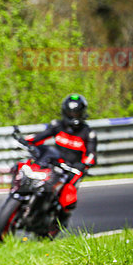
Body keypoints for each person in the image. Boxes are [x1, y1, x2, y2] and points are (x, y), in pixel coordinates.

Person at [26, 93, 97, 227]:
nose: (74, 116)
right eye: (71, 113)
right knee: (31, 171)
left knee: (68, 197)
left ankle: (61, 219)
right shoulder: (58, 125)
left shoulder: (88, 133)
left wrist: (86, 163)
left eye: (76, 113)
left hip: (73, 169)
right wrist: (28, 141)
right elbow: (40, 136)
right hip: (54, 162)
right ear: (65, 112)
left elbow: (91, 153)